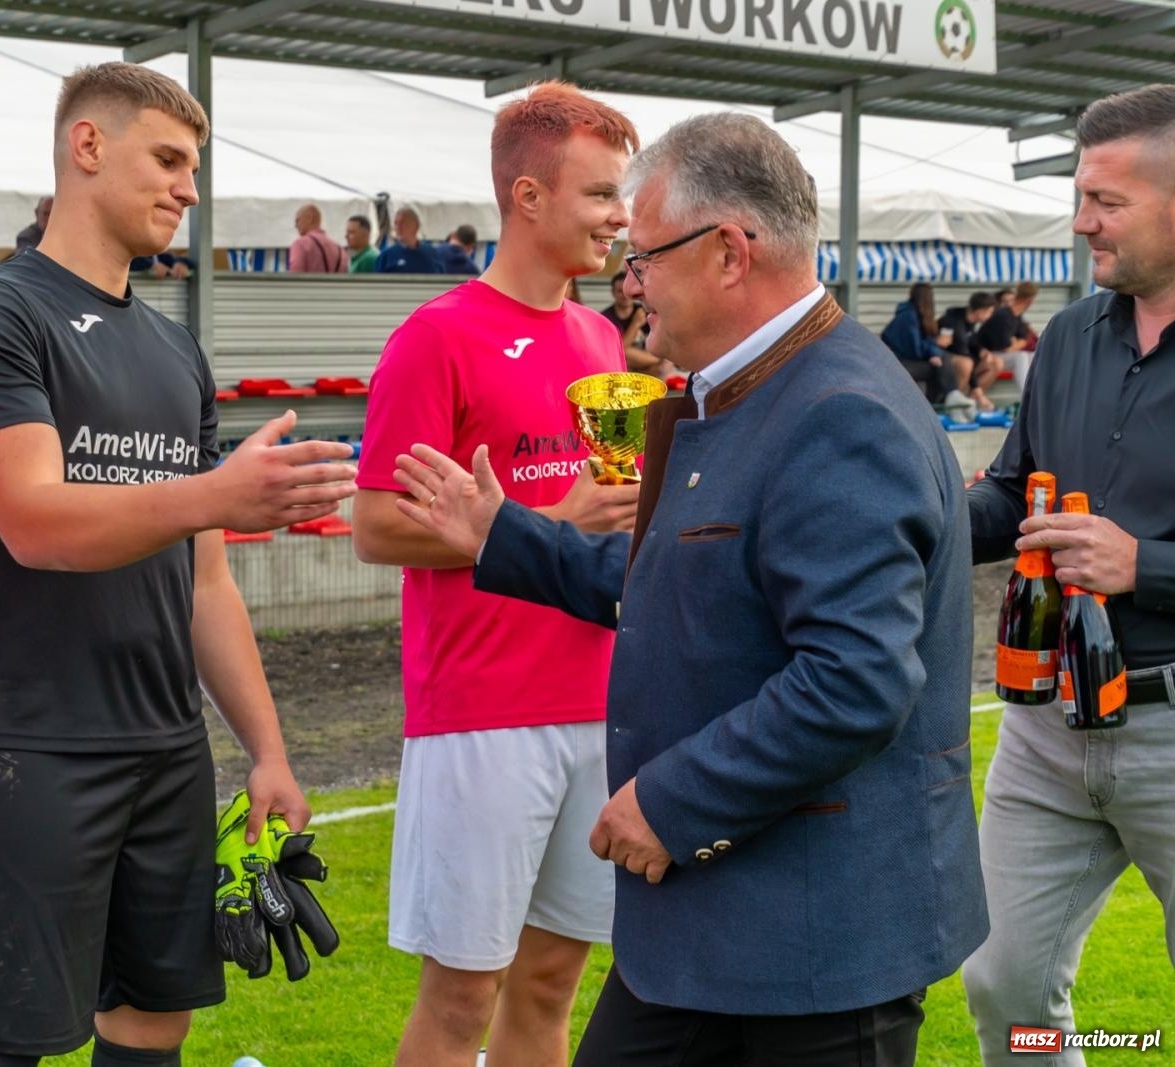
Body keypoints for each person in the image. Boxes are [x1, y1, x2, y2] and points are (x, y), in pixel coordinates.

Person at [393, 112, 986, 1066]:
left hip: (815, 944)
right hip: (719, 925)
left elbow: (855, 680)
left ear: (727, 253)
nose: (629, 286)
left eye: (644, 258)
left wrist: (672, 801)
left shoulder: (839, 413)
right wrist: (501, 535)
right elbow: (681, 585)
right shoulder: (751, 388)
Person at [0, 61, 356, 1067]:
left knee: (154, 1016)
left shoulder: (174, 348)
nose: (188, 189)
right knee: (3, 1034)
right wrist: (219, 493)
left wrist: (269, 747)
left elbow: (204, 579)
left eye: (194, 167)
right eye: (167, 159)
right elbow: (36, 521)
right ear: (87, 147)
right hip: (24, 739)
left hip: (165, 744)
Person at [353, 82, 640, 1067]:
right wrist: (548, 521)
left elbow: (607, 515)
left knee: (554, 979)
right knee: (460, 998)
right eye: (601, 193)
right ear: (527, 195)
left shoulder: (603, 340)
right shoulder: (436, 336)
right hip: (481, 712)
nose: (620, 217)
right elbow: (376, 525)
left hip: (597, 701)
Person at [962, 84, 1175, 1067]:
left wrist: (1150, 566)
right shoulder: (1070, 338)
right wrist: (891, 514)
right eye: (1080, 194)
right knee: (1002, 982)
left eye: (1106, 200)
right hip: (1047, 727)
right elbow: (1008, 498)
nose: (1081, 220)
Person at [881, 281, 969, 410]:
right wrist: (932, 353)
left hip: (904, 360)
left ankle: (941, 401)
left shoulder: (912, 314)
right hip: (899, 363)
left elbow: (921, 343)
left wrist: (933, 353)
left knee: (941, 361)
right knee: (940, 363)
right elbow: (915, 349)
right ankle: (943, 400)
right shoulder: (909, 316)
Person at [939, 291, 1001, 411]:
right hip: (944, 359)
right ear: (980, 311)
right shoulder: (953, 321)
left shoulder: (971, 322)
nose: (990, 315)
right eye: (989, 312)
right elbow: (962, 351)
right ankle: (955, 405)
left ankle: (969, 401)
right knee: (966, 364)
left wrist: (982, 350)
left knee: (996, 362)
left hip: (962, 357)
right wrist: (977, 388)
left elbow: (971, 342)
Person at [978, 279, 1041, 390]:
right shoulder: (1003, 316)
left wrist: (1019, 342)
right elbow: (1008, 348)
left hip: (999, 355)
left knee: (1033, 356)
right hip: (985, 355)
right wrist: (1020, 342)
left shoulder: (1017, 316)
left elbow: (1022, 340)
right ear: (1030, 300)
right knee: (1021, 357)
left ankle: (1038, 394)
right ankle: (1028, 397)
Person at [599, 268, 661, 375]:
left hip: (645, 361)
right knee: (624, 353)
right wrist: (635, 324)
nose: (624, 295)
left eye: (626, 290)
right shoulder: (606, 318)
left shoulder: (645, 310)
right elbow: (618, 351)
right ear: (613, 293)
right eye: (619, 291)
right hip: (619, 362)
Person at [376, 207, 441, 273]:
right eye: (396, 223)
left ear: (416, 225)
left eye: (403, 222)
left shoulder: (432, 254)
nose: (398, 227)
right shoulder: (386, 256)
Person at [287, 203, 348, 272]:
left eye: (297, 220)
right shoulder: (341, 251)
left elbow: (295, 278)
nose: (296, 225)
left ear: (310, 218)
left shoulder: (300, 244)